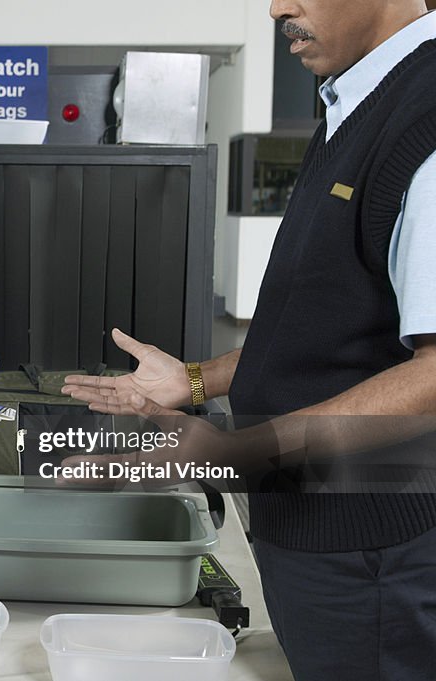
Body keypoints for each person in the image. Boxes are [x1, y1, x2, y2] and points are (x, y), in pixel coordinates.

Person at [62, 2, 436, 680]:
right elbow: (330, 328)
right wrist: (198, 380)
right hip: (315, 536)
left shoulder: (426, 111)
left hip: (374, 552)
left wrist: (236, 452)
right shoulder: (359, 103)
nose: (278, 7)